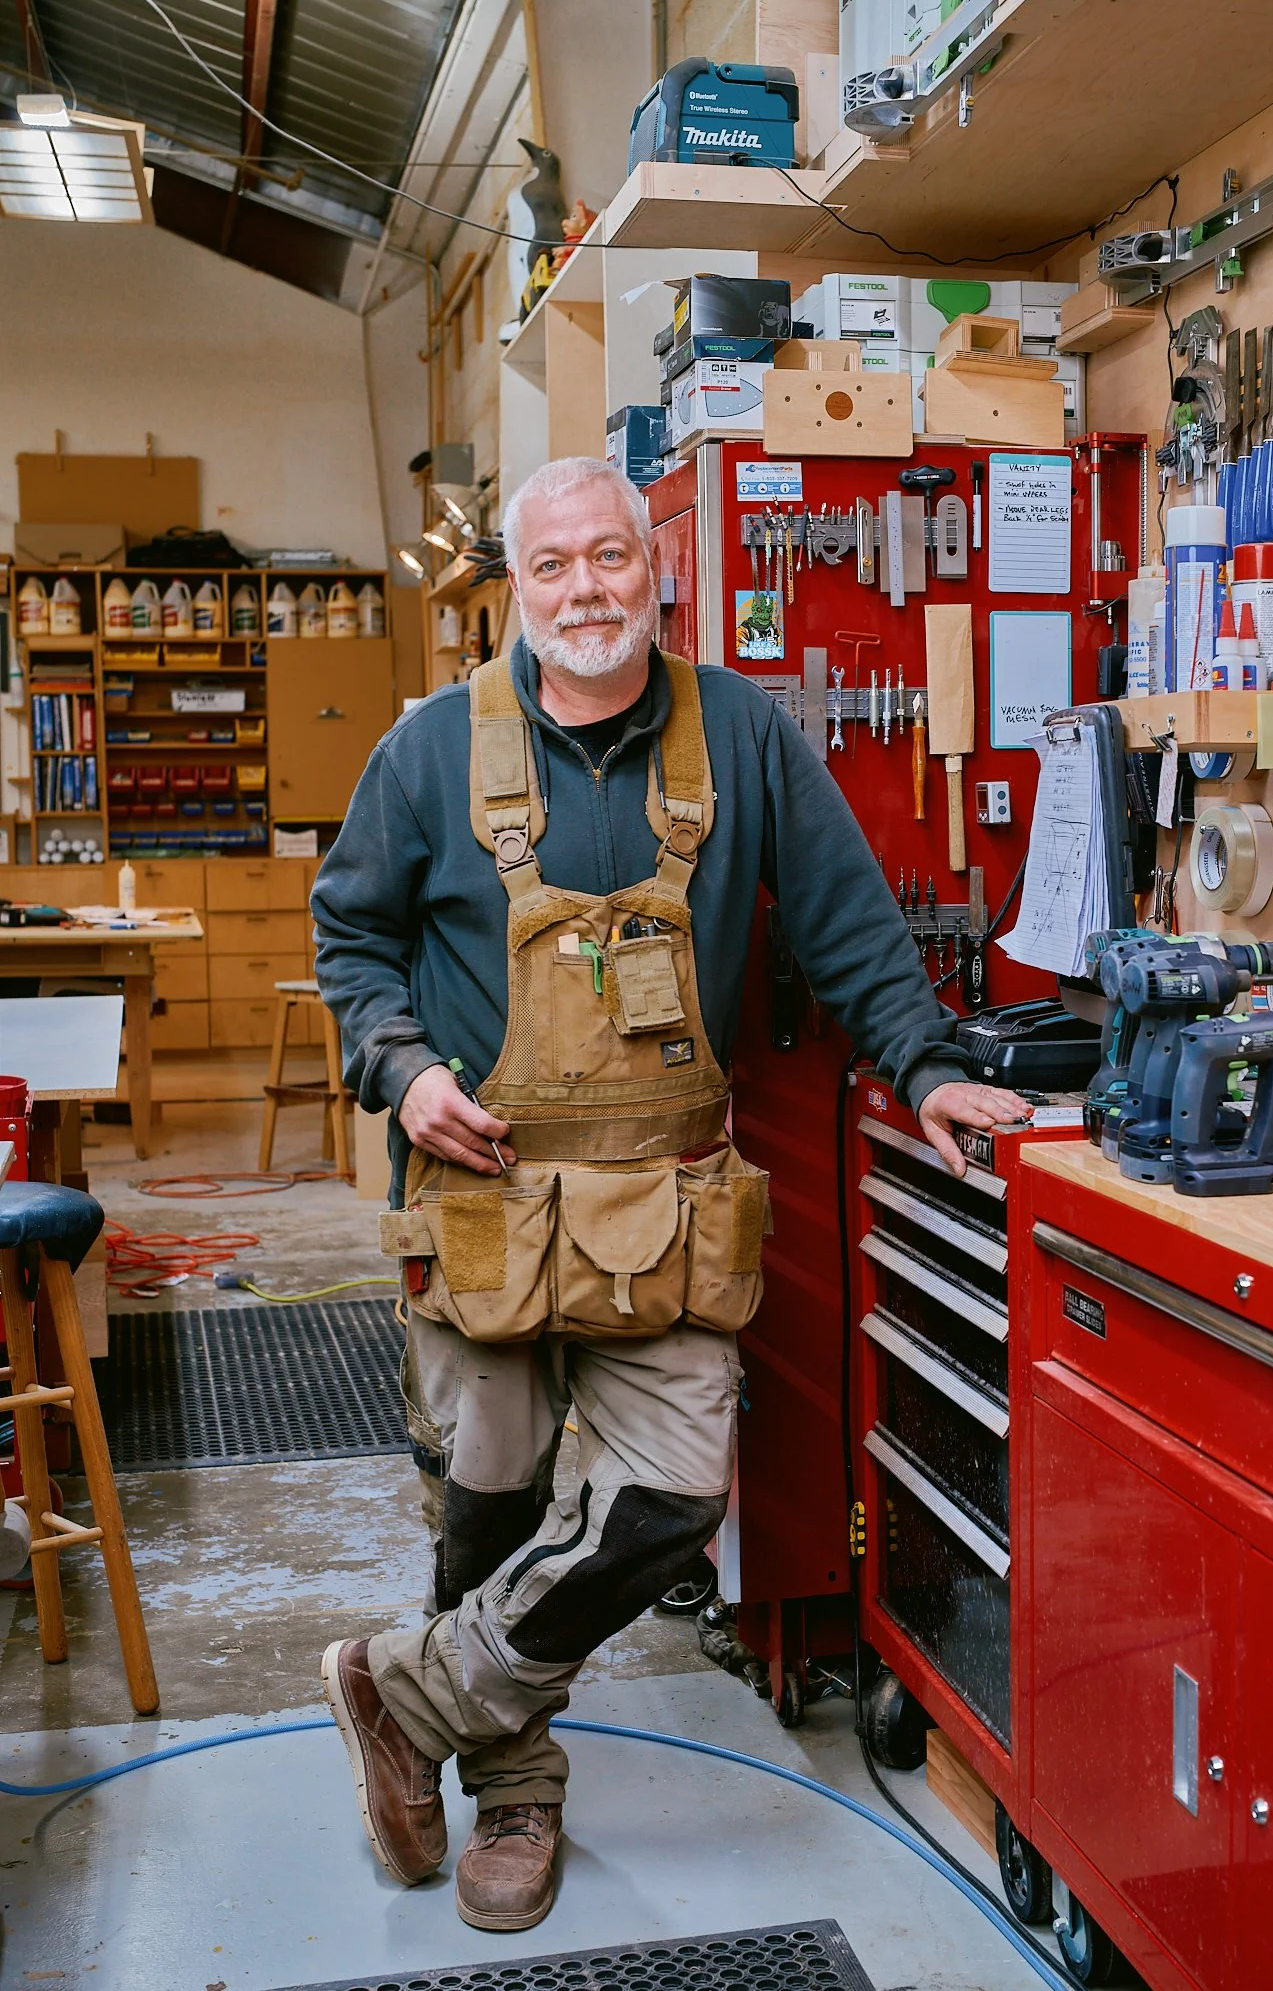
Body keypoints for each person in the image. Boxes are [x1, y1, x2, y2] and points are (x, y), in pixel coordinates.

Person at [310, 456, 1029, 1931]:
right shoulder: (431, 748)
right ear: (521, 585)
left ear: (657, 566)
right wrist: (399, 1068)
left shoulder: (745, 735)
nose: (587, 589)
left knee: (667, 1501)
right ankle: (515, 1791)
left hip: (668, 1207)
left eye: (612, 558)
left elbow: (848, 926)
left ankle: (405, 1693)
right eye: (555, 565)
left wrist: (930, 1064)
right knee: (489, 1510)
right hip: (485, 1201)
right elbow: (352, 944)